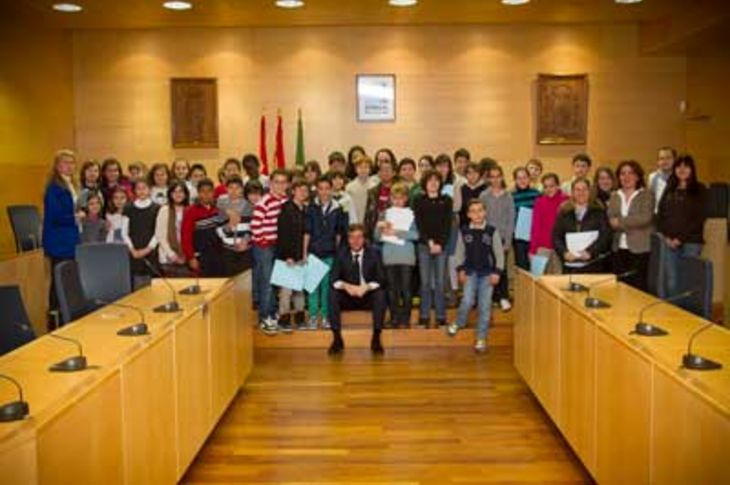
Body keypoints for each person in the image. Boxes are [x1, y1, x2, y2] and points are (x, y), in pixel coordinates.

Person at [448, 199, 505, 353]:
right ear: (468, 214)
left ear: (485, 212)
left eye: (480, 210)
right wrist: (460, 269)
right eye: (473, 211)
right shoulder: (464, 231)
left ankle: (481, 338)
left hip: (487, 274)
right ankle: (459, 322)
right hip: (470, 272)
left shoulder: (492, 231)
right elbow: (459, 252)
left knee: (485, 307)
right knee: (467, 300)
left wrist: (497, 272)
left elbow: (499, 254)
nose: (477, 214)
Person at [328, 224, 387, 356]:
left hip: (366, 296)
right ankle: (337, 339)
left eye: (359, 237)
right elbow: (333, 279)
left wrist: (366, 287)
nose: (356, 241)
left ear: (364, 239)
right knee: (332, 294)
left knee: (380, 294)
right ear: (348, 239)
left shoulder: (374, 252)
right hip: (348, 296)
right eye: (352, 237)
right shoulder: (341, 253)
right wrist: (347, 286)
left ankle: (376, 338)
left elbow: (382, 279)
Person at [656, 154, 707, 298]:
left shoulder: (700, 189)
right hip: (668, 241)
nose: (682, 169)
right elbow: (660, 214)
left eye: (686, 166)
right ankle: (673, 314)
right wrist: (666, 237)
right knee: (671, 280)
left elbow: (699, 218)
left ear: (692, 169)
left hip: (691, 242)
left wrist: (680, 239)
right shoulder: (670, 188)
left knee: (687, 280)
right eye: (679, 166)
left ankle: (687, 315)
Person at [43, 150, 82, 329]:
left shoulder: (71, 184)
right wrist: (75, 217)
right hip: (59, 242)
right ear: (57, 165)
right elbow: (55, 216)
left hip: (71, 239)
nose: (69, 166)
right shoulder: (54, 187)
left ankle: (68, 316)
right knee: (58, 281)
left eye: (72, 163)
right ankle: (55, 320)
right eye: (65, 162)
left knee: (68, 279)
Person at [304, 175, 347, 330]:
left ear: (331, 189)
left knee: (327, 288)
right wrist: (304, 253)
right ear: (316, 190)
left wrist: (336, 254)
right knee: (313, 287)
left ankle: (326, 316)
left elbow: (339, 234)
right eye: (320, 188)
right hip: (314, 253)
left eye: (327, 188)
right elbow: (307, 232)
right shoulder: (310, 208)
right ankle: (313, 317)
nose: (324, 192)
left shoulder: (338, 208)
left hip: (330, 253)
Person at [374, 183, 418, 328]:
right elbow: (376, 236)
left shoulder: (412, 214)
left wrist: (397, 232)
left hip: (406, 256)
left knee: (406, 289)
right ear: (391, 199)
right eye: (395, 198)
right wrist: (381, 229)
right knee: (392, 289)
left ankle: (405, 319)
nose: (398, 201)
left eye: (401, 198)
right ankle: (394, 318)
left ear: (406, 199)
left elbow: (416, 235)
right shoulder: (384, 214)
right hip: (389, 256)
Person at [251, 169, 290, 334]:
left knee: (276, 282)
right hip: (264, 246)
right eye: (276, 182)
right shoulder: (264, 202)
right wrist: (262, 240)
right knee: (266, 282)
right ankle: (264, 317)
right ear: (270, 184)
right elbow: (255, 226)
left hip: (279, 246)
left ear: (287, 185)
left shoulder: (287, 201)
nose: (280, 185)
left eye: (283, 182)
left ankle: (273, 314)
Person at [607, 161, 654, 291]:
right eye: (622, 173)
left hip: (640, 248)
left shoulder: (646, 194)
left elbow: (644, 218)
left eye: (630, 173)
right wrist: (629, 221)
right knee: (620, 287)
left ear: (638, 176)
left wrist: (620, 222)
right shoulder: (615, 195)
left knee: (638, 288)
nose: (626, 177)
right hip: (618, 248)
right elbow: (611, 218)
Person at [414, 170, 452, 328]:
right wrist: (429, 242)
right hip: (424, 246)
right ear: (425, 183)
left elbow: (447, 225)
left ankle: (441, 317)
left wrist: (440, 244)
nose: (433, 183)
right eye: (430, 180)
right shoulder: (419, 200)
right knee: (425, 282)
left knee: (440, 282)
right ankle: (424, 317)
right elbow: (419, 224)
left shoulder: (446, 200)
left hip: (441, 246)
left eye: (437, 180)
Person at [553, 178, 612, 274]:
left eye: (585, 189)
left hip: (593, 264)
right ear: (572, 192)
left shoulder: (599, 211)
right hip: (570, 265)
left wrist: (590, 252)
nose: (581, 193)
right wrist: (564, 253)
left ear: (589, 191)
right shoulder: (564, 212)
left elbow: (605, 236)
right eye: (578, 190)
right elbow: (556, 236)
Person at [480, 165, 515, 311]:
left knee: (501, 268)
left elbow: (510, 220)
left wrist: (508, 241)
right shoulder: (484, 196)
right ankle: (490, 297)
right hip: (487, 238)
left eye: (498, 176)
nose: (495, 179)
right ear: (488, 178)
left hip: (502, 238)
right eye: (492, 176)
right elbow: (480, 217)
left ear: (502, 177)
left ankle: (503, 297)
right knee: (487, 268)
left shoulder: (508, 196)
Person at [276, 180, 309, 332]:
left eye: (305, 190)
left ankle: (300, 317)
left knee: (299, 289)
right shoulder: (286, 208)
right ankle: (284, 319)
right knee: (286, 290)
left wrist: (304, 254)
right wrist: (287, 255)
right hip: (287, 255)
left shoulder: (305, 209)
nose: (303, 192)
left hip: (301, 255)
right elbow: (283, 234)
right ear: (293, 191)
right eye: (300, 189)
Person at [181, 178, 226, 277]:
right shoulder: (191, 211)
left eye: (209, 191)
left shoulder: (219, 209)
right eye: (203, 191)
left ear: (213, 192)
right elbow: (186, 236)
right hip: (201, 256)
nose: (206, 194)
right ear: (198, 193)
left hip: (219, 255)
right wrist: (191, 257)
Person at [529, 173, 569, 272]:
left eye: (551, 186)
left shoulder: (566, 201)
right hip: (542, 247)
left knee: (557, 280)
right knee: (538, 278)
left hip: (560, 248)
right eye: (546, 187)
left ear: (558, 185)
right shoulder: (539, 202)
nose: (549, 189)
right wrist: (533, 249)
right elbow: (535, 226)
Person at [122, 179, 160, 283]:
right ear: (134, 191)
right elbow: (124, 233)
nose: (142, 191)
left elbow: (158, 232)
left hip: (151, 251)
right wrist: (132, 250)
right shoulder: (128, 208)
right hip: (133, 251)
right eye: (138, 188)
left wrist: (148, 249)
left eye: (144, 188)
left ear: (150, 190)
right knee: (136, 282)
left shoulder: (157, 208)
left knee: (153, 283)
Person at [216, 176, 253, 276]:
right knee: (230, 282)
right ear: (226, 189)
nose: (234, 191)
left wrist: (245, 241)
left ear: (242, 189)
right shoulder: (222, 207)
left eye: (237, 187)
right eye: (231, 188)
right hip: (228, 250)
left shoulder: (249, 206)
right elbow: (218, 231)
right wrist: (229, 226)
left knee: (245, 281)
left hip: (245, 249)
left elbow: (252, 228)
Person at [155, 181, 191, 277]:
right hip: (167, 257)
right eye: (174, 192)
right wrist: (172, 255)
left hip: (186, 258)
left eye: (181, 191)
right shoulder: (164, 210)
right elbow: (160, 235)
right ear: (170, 194)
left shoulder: (190, 210)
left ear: (185, 194)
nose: (178, 194)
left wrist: (187, 255)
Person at [511, 166, 541, 271]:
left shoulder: (537, 194)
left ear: (529, 178)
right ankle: (523, 287)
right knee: (521, 267)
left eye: (524, 177)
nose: (522, 180)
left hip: (535, 236)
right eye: (519, 178)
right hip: (519, 237)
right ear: (515, 180)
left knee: (536, 267)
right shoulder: (511, 196)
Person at [363, 157, 397, 240]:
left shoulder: (399, 191)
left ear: (393, 173)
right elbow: (368, 215)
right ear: (378, 173)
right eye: (382, 170)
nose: (385, 173)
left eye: (388, 170)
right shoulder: (372, 192)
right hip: (374, 233)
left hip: (392, 233)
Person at [346, 156, 375, 225]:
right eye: (360, 167)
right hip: (354, 222)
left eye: (366, 167)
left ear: (370, 169)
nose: (363, 170)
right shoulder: (349, 187)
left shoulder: (374, 186)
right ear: (355, 170)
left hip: (370, 222)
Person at [456, 161, 487, 226]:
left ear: (479, 174)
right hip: (465, 225)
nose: (472, 175)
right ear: (466, 175)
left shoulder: (485, 188)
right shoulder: (462, 189)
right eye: (469, 173)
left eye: (475, 172)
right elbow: (460, 209)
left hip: (483, 225)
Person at [649, 146, 676, 213]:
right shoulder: (652, 177)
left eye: (668, 158)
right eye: (661, 158)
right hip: (658, 215)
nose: (665, 161)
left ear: (674, 160)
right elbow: (651, 199)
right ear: (658, 161)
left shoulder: (679, 176)